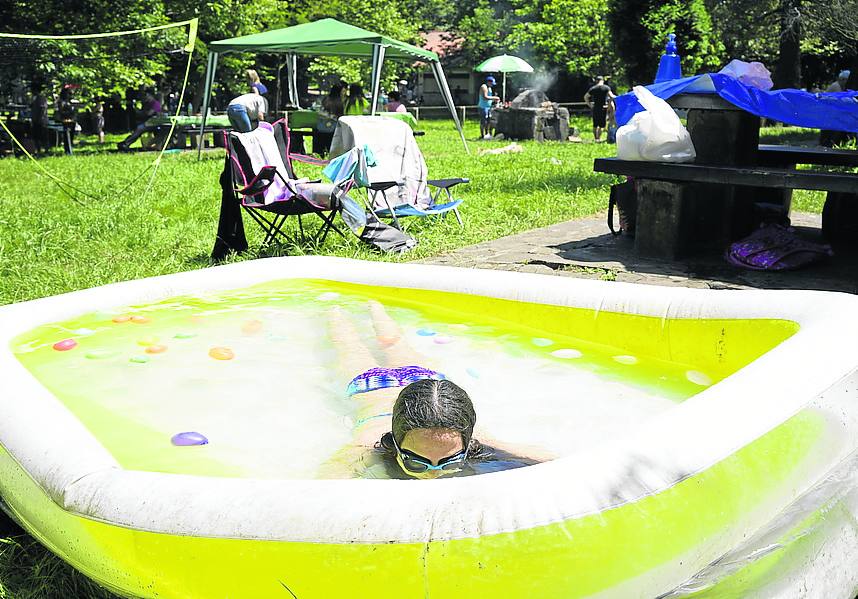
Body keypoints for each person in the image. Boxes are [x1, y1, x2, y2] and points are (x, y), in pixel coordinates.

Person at [320, 302, 550, 480]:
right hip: (371, 385)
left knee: (392, 342)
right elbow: (320, 487)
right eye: (416, 463)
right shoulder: (369, 445)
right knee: (350, 343)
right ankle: (336, 309)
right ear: (395, 444)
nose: (432, 473)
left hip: (423, 379)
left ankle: (373, 305)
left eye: (450, 463)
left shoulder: (477, 441)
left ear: (468, 445)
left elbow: (556, 463)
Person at [584, 76, 615, 142]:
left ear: (596, 81)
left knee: (595, 124)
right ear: (603, 80)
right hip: (603, 107)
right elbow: (611, 96)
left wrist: (589, 104)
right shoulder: (606, 88)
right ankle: (599, 138)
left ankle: (595, 138)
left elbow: (586, 97)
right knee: (602, 125)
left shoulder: (593, 88)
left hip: (595, 107)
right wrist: (610, 104)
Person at [478, 76, 500, 140]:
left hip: (488, 107)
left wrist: (494, 100)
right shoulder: (483, 87)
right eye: (491, 83)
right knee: (483, 121)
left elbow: (489, 98)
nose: (492, 85)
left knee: (488, 121)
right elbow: (485, 97)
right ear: (488, 82)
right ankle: (482, 135)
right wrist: (494, 98)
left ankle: (487, 134)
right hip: (483, 107)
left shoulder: (489, 88)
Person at [57, 85, 77, 155]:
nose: (70, 95)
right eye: (69, 93)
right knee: (67, 136)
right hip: (66, 121)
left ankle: (70, 149)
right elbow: (61, 111)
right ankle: (68, 151)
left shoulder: (70, 101)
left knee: (71, 136)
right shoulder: (61, 102)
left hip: (72, 120)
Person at [30, 87, 49, 154]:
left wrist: (38, 119)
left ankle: (46, 150)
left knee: (43, 136)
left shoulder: (41, 98)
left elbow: (42, 109)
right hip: (36, 121)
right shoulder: (35, 98)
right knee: (36, 136)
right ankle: (38, 150)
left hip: (41, 121)